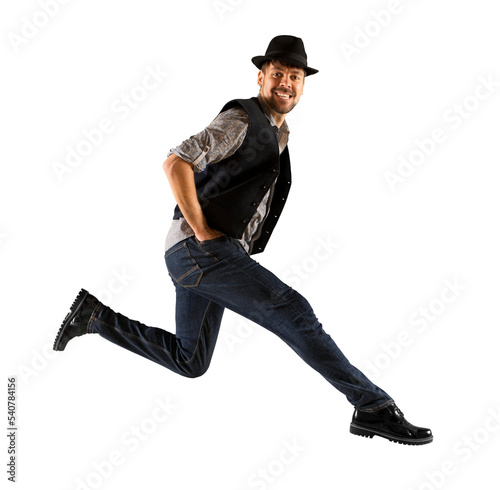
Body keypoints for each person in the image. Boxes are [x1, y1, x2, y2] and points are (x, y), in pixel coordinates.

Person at [53, 35, 433, 445]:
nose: (286, 83)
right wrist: (202, 232)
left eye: (295, 76)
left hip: (204, 258)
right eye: (277, 74)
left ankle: (94, 316)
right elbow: (175, 162)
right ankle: (373, 407)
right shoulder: (243, 120)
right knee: (294, 311)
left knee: (190, 359)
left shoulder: (279, 134)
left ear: (304, 84)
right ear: (261, 77)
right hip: (199, 251)